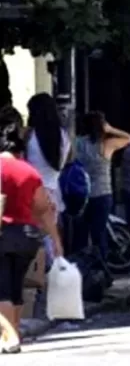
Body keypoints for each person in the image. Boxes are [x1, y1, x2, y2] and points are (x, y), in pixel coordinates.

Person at [0, 105, 63, 354]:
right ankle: (11, 335)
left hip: (4, 233)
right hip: (28, 236)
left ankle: (11, 338)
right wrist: (56, 241)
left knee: (1, 289)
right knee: (15, 287)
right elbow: (44, 209)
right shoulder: (30, 171)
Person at [71, 112, 130, 260]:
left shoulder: (77, 143)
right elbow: (129, 138)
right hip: (102, 194)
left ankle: (81, 269)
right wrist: (111, 129)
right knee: (99, 234)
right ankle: (101, 268)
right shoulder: (106, 144)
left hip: (81, 194)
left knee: (80, 236)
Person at [24, 93, 71, 267]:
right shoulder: (63, 136)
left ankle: (36, 279)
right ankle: (56, 275)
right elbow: (65, 162)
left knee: (32, 239)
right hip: (53, 191)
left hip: (33, 192)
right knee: (51, 239)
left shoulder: (29, 135)